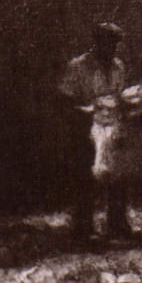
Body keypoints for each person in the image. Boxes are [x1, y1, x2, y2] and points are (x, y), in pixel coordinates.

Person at [57, 21, 134, 240]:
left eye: (115, 44)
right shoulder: (79, 66)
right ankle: (83, 228)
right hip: (86, 129)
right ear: (98, 42)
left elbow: (120, 95)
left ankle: (117, 224)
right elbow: (64, 99)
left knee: (118, 175)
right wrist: (85, 110)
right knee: (86, 178)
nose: (113, 48)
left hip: (113, 127)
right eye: (109, 43)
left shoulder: (118, 66)